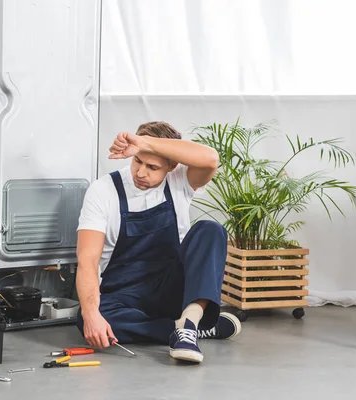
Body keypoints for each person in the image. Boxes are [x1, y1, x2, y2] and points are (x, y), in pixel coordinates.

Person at [75, 121, 241, 363]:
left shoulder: (180, 181)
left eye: (152, 167)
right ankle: (188, 328)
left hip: (172, 289)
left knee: (211, 229)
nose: (141, 173)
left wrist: (145, 142)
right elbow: (87, 260)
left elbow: (210, 159)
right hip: (123, 294)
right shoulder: (103, 190)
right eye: (137, 161)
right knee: (87, 318)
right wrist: (91, 315)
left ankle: (189, 319)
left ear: (172, 166)